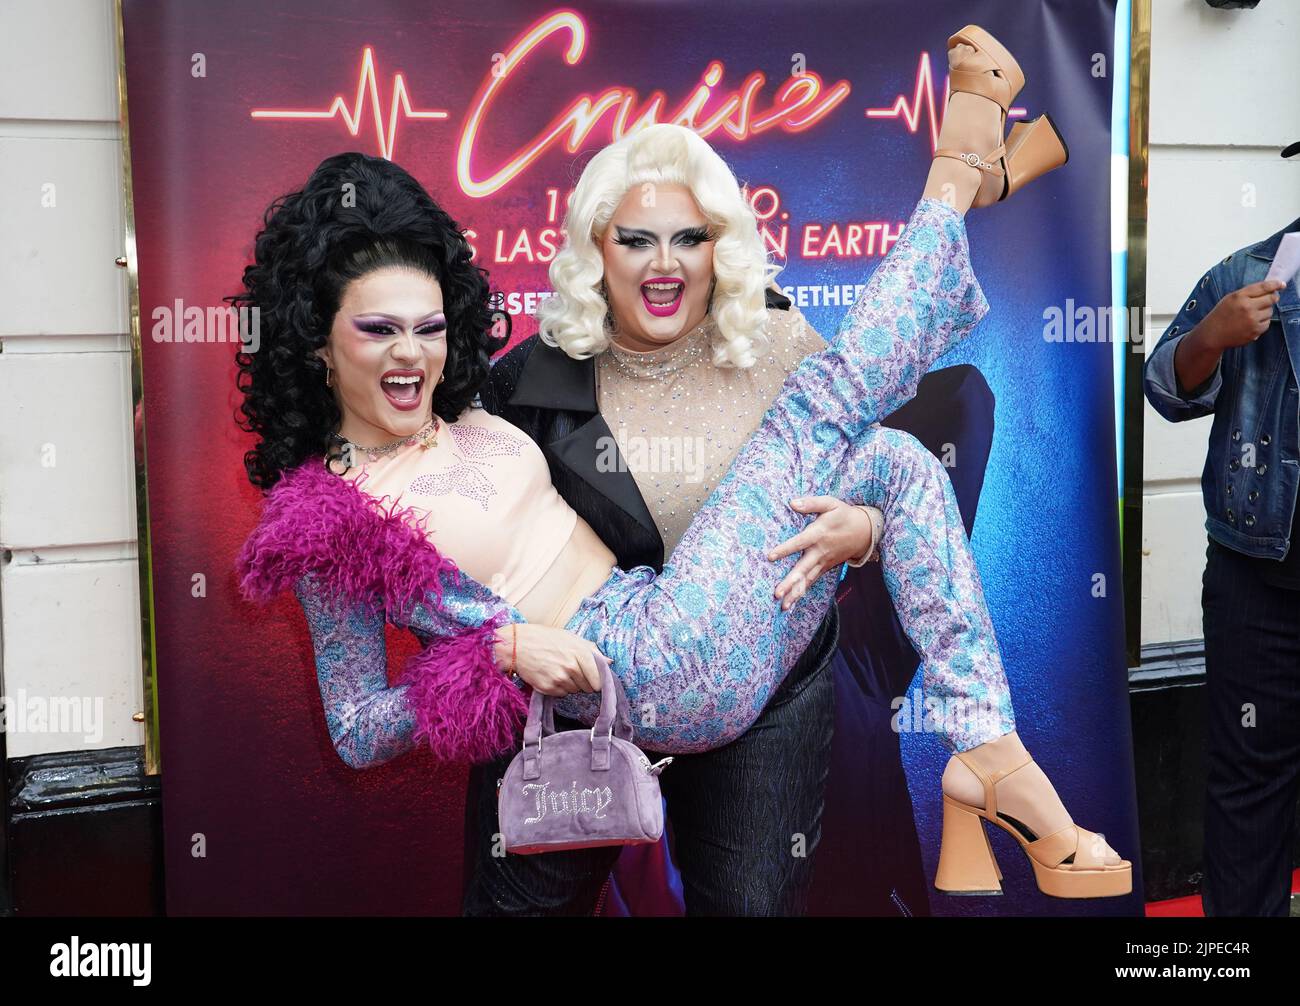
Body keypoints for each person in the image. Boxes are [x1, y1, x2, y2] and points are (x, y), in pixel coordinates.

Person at [235, 25, 1129, 910]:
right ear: (317, 345)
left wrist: (865, 534)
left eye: (427, 328)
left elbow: (884, 463)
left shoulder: (467, 417)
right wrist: (495, 651)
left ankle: (984, 746)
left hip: (707, 640)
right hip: (635, 670)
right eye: (377, 330)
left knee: (892, 459)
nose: (411, 355)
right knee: (825, 404)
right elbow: (355, 728)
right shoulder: (333, 517)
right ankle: (962, 169)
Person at [1143, 165, 1300, 916]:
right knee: (1247, 782)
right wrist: (1211, 335)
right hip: (1256, 577)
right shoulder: (1248, 274)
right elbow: (1164, 387)